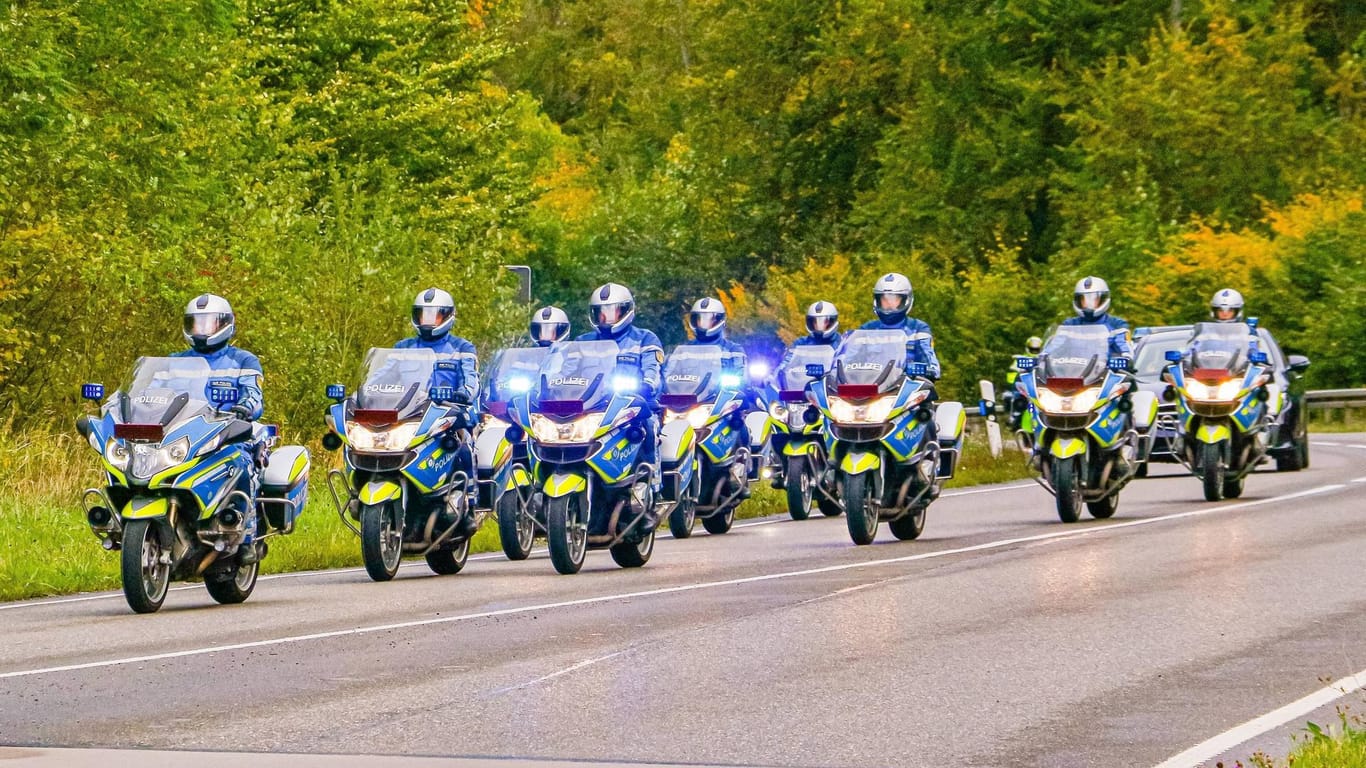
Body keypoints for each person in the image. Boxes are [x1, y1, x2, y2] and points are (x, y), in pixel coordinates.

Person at [173, 294, 266, 562]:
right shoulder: (174, 362)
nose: (202, 330)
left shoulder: (244, 361)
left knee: (240, 462)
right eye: (196, 324)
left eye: (209, 324)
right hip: (184, 433)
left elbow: (254, 395)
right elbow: (154, 393)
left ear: (226, 325)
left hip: (229, 430)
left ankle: (246, 535)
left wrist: (244, 408)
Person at [396, 288, 479, 531]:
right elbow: (383, 375)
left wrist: (464, 393)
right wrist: (363, 393)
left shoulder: (462, 347)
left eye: (435, 315)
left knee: (463, 445)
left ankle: (469, 504)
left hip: (450, 414)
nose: (428, 321)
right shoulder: (403, 347)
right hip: (411, 415)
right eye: (423, 315)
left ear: (448, 317)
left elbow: (472, 378)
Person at [577, 283, 664, 499]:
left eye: (611, 312)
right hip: (593, 409)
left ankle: (652, 484)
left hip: (633, 407)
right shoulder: (582, 342)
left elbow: (653, 370)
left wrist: (648, 384)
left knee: (649, 427)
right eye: (600, 313)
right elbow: (566, 370)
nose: (605, 318)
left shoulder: (645, 339)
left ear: (626, 311)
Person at [686, 297, 757, 493]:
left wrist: (739, 386)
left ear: (719, 321)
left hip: (723, 402)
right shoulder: (685, 350)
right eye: (700, 319)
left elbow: (742, 373)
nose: (704, 324)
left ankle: (742, 468)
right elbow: (671, 372)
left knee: (738, 424)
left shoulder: (733, 349)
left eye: (709, 319)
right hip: (695, 402)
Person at [860, 272, 942, 380]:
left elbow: (931, 365)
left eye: (894, 299)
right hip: (871, 387)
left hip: (906, 386)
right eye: (884, 299)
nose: (889, 304)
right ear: (877, 301)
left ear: (905, 300)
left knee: (926, 394)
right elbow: (848, 361)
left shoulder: (917, 329)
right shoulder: (867, 329)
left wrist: (924, 370)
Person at [1061, 276, 1132, 362]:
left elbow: (1124, 347)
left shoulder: (1117, 324)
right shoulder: (1069, 325)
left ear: (1102, 300)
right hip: (1074, 371)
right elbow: (1055, 346)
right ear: (1078, 301)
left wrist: (1127, 357)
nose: (1088, 303)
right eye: (1084, 299)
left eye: (1093, 299)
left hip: (1105, 371)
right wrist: (1043, 357)